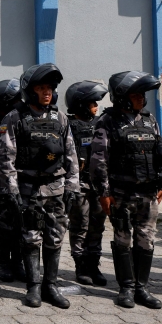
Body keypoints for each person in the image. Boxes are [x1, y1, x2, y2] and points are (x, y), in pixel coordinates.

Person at [89, 71, 162, 309]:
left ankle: (142, 288)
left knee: (146, 239)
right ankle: (126, 288)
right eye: (136, 94)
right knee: (122, 239)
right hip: (121, 193)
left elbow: (161, 154)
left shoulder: (149, 120)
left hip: (148, 193)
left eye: (142, 94)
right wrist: (104, 192)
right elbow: (99, 160)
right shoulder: (107, 122)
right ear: (122, 97)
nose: (141, 98)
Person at [0, 63, 79, 309]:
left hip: (56, 188)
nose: (47, 93)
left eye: (50, 88)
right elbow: (5, 158)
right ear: (29, 90)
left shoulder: (60, 118)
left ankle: (50, 286)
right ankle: (33, 287)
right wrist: (10, 190)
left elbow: (71, 154)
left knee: (55, 237)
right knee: (31, 238)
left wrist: (73, 186)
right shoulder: (14, 118)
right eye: (41, 88)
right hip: (28, 189)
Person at [64, 80, 109, 287]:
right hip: (79, 185)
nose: (96, 107)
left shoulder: (100, 124)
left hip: (98, 184)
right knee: (80, 225)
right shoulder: (69, 126)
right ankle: (80, 266)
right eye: (92, 103)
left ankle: (94, 265)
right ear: (81, 104)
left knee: (97, 226)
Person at [0, 78, 23, 283]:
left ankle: (18, 263)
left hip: (21, 180)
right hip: (1, 181)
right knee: (4, 225)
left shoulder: (19, 119)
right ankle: (4, 264)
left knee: (21, 223)